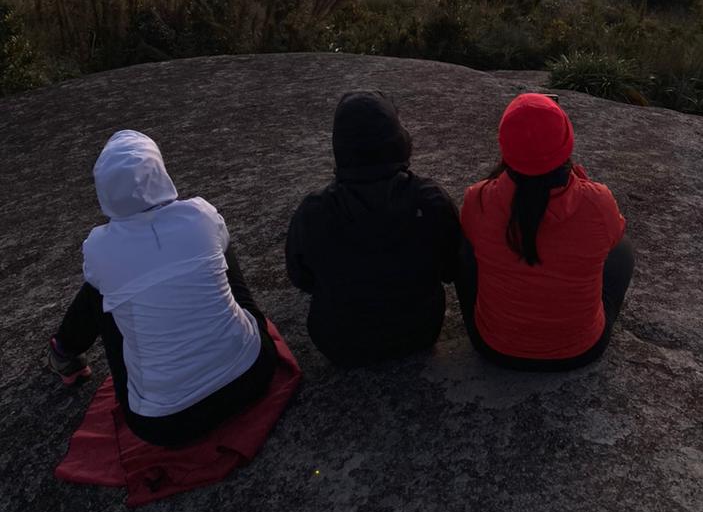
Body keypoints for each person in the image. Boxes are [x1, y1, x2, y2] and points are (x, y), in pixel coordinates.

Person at [47, 129, 278, 448]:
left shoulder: (100, 248)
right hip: (254, 372)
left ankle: (64, 351)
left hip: (165, 424)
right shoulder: (200, 214)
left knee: (102, 292)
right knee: (217, 246)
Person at [457, 93, 634, 371]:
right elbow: (609, 235)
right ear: (567, 142)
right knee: (622, 249)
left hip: (493, 346)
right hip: (580, 350)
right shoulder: (597, 202)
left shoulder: (477, 199)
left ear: (504, 145)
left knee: (466, 245)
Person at [285, 91, 461, 367]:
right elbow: (452, 268)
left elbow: (301, 278)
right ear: (399, 141)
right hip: (420, 333)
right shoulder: (430, 199)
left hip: (339, 345)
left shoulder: (314, 210)